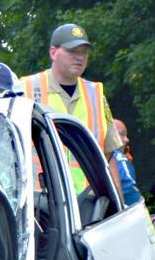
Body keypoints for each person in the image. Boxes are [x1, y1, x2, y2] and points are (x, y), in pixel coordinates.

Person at [21, 24, 123, 191]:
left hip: (89, 202)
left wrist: (118, 206)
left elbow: (110, 154)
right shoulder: (25, 89)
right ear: (53, 53)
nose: (80, 57)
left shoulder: (96, 94)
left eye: (84, 52)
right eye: (72, 51)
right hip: (41, 201)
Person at [111, 119, 142, 206]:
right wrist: (139, 208)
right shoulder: (119, 158)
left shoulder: (98, 156)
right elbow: (128, 185)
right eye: (122, 134)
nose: (127, 139)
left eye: (126, 135)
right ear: (110, 135)